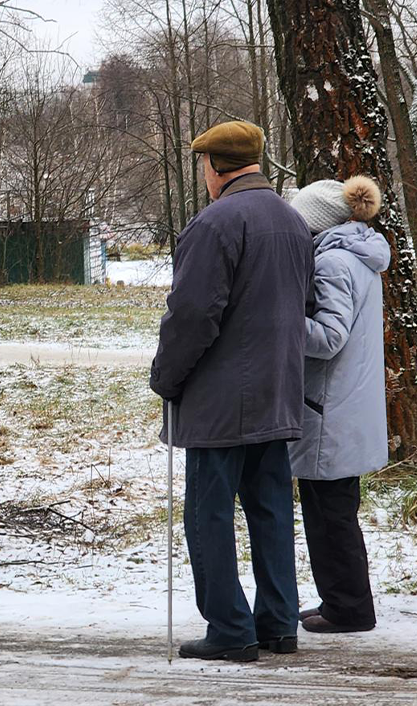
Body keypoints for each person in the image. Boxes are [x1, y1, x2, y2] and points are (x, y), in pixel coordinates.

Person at [150, 121, 315, 662]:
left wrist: (166, 377)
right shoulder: (291, 220)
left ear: (215, 166)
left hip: (220, 402)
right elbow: (304, 305)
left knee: (209, 515)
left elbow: (192, 315)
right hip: (278, 390)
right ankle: (278, 624)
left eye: (203, 165)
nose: (203, 174)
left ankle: (229, 628)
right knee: (271, 511)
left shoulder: (215, 222)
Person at [288, 176, 388, 635]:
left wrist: (283, 320)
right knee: (335, 511)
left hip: (330, 409)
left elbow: (329, 338)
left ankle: (348, 609)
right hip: (345, 405)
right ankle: (342, 600)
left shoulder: (331, 262)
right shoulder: (359, 256)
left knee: (329, 516)